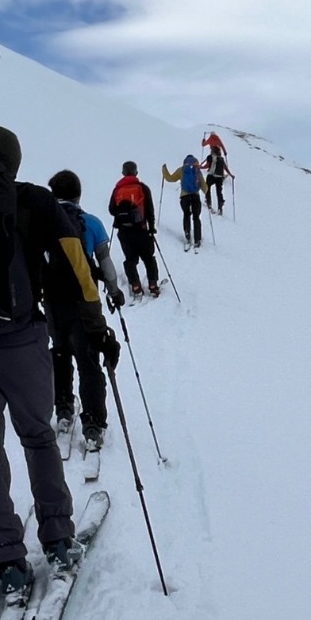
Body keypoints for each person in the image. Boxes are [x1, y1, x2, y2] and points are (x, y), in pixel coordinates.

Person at [0, 125, 117, 599]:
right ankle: (57, 537)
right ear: (13, 160)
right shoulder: (33, 201)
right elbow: (76, 265)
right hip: (24, 341)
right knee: (38, 436)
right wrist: (95, 328)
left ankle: (6, 556)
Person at [47, 169, 124, 451]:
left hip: (53, 303)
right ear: (79, 194)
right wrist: (114, 293)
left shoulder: (44, 223)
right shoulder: (90, 222)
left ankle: (64, 410)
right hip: (84, 303)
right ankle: (92, 425)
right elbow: (105, 265)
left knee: (60, 352)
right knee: (88, 361)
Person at [109, 160, 160, 298]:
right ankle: (153, 284)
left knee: (130, 260)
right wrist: (151, 228)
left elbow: (112, 210)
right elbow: (150, 209)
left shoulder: (117, 189)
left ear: (123, 173)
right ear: (136, 172)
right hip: (141, 229)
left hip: (124, 232)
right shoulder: (142, 188)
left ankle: (136, 286)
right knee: (149, 258)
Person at [161, 154, 205, 250]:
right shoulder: (197, 170)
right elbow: (204, 187)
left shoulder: (182, 170)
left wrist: (164, 170)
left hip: (184, 197)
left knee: (186, 214)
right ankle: (197, 239)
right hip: (195, 196)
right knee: (196, 217)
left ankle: (188, 235)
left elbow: (170, 178)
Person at [200, 138, 233, 215]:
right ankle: (220, 208)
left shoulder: (210, 157)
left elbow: (207, 166)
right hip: (220, 177)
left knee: (207, 187)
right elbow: (225, 168)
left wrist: (199, 167)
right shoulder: (221, 159)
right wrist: (231, 175)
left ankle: (209, 203)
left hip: (212, 175)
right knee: (219, 192)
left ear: (212, 151)